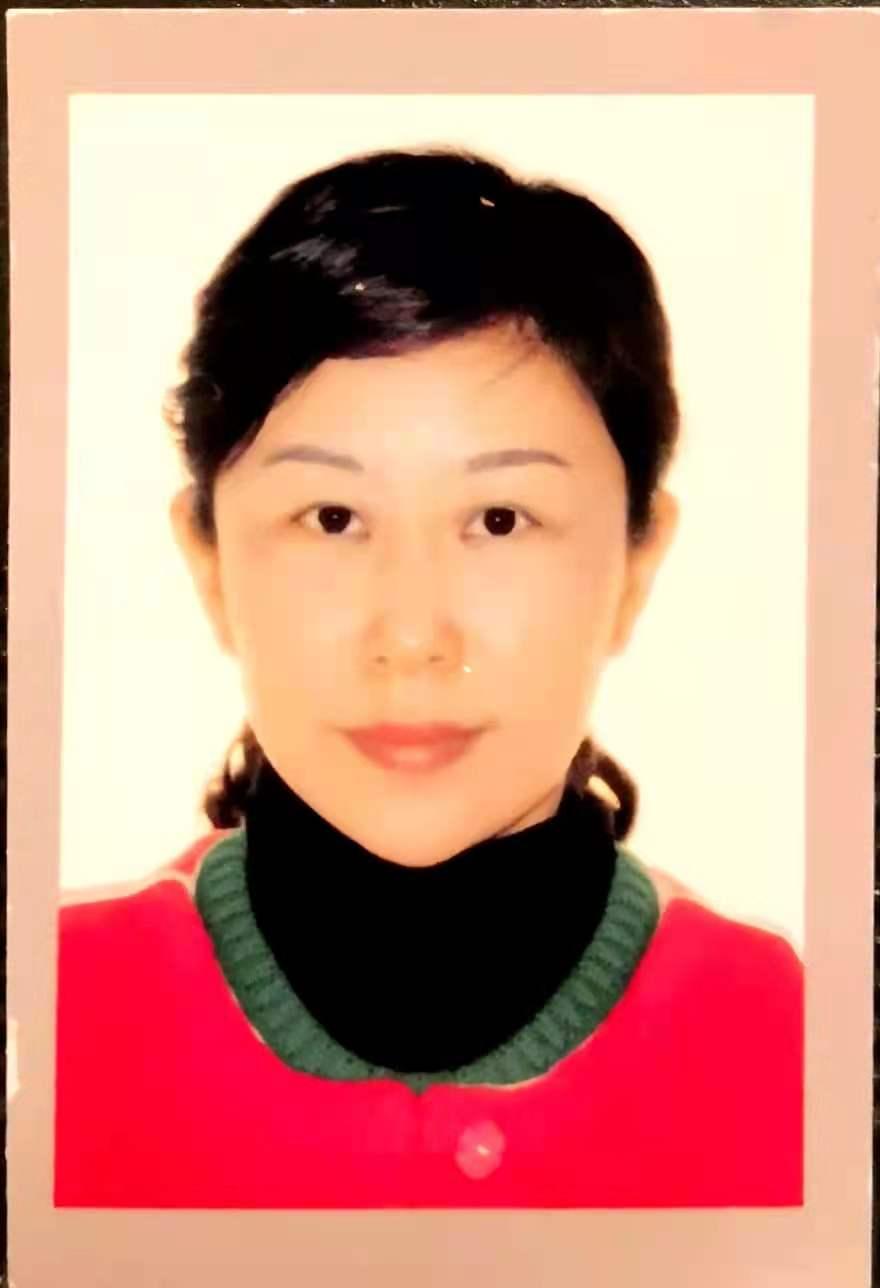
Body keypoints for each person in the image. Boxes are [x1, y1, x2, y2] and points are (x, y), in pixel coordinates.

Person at [54, 147, 803, 1209]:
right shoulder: (42, 1025)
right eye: (331, 518)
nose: (411, 636)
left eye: (499, 519)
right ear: (209, 562)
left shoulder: (806, 1054)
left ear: (636, 564)